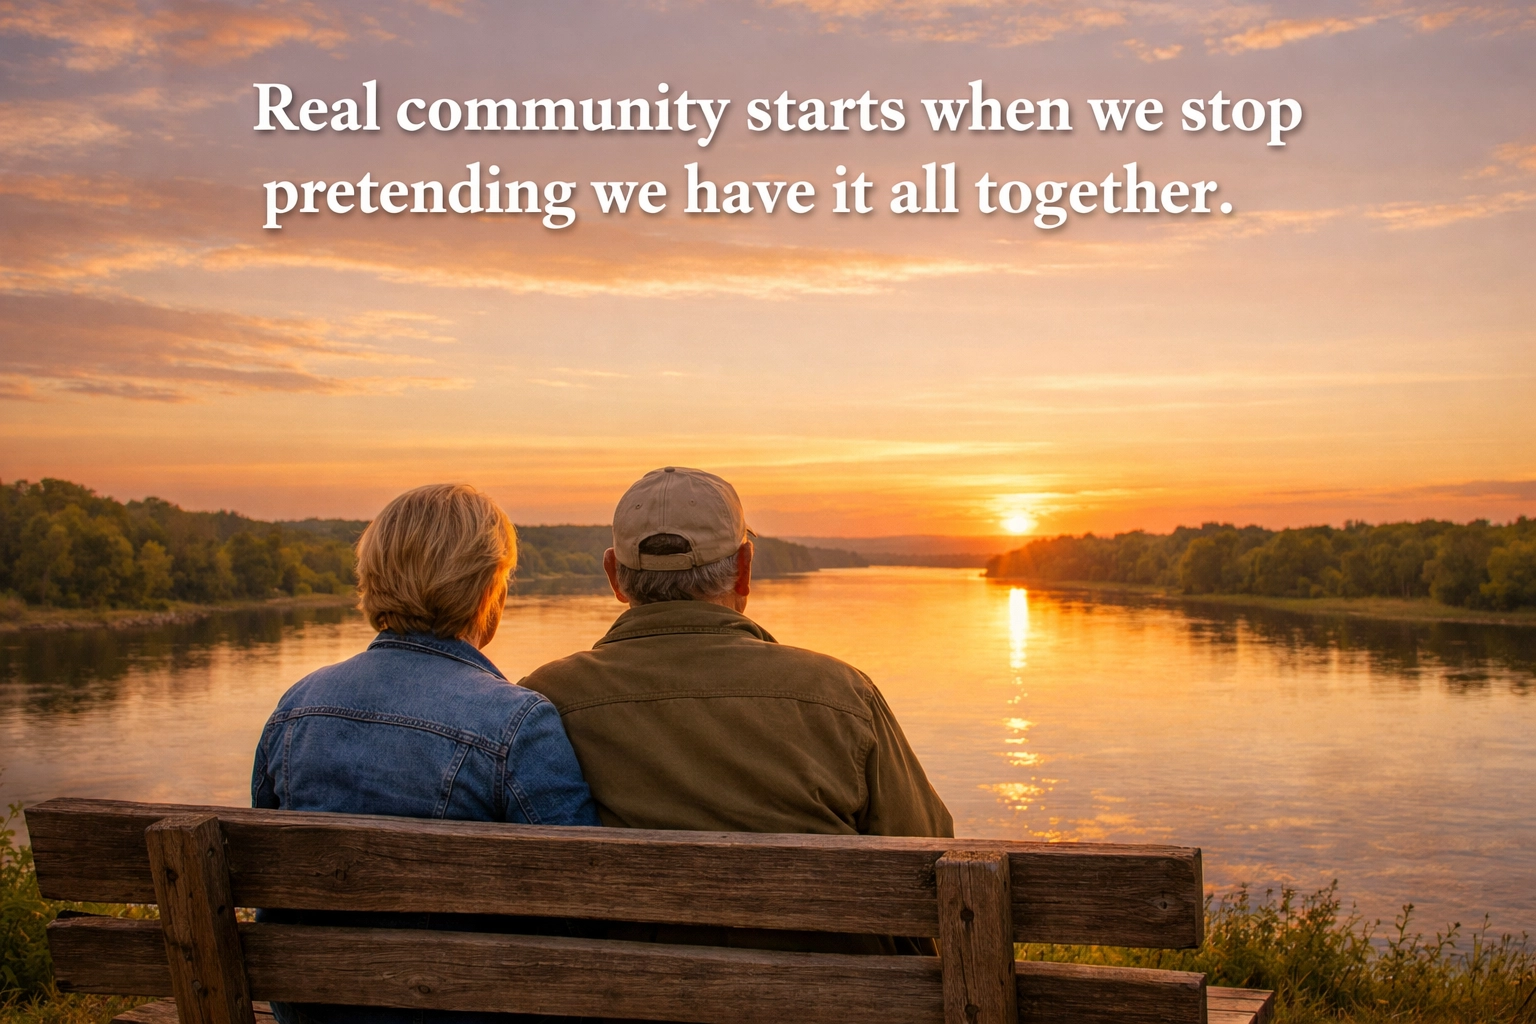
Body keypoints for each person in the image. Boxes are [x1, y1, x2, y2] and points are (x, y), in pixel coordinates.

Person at [519, 466, 952, 954]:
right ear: (744, 568)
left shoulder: (541, 704)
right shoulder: (842, 696)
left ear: (614, 576)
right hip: (834, 992)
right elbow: (932, 856)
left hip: (627, 990)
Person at [251, 482, 599, 1024]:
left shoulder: (296, 707)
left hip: (311, 1007)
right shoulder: (516, 723)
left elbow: (267, 874)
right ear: (488, 590)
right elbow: (583, 898)